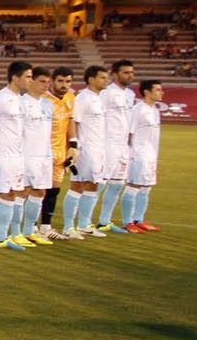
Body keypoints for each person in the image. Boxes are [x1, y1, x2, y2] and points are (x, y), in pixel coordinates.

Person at [0, 61, 37, 251]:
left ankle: (3, 236)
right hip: (1, 155)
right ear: (15, 77)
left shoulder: (22, 100)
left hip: (17, 155)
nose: (30, 80)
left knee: (11, 194)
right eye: (27, 76)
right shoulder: (0, 99)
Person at [64, 65, 110, 238]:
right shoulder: (83, 98)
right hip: (86, 149)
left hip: (99, 149)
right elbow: (74, 122)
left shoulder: (99, 98)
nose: (106, 81)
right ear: (91, 79)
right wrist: (75, 146)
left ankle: (84, 224)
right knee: (78, 185)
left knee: (94, 184)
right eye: (102, 78)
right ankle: (68, 227)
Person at [97, 60, 137, 232]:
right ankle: (83, 223)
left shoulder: (130, 94)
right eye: (126, 72)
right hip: (108, 144)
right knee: (99, 183)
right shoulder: (107, 93)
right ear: (115, 74)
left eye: (132, 72)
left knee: (117, 184)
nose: (130, 75)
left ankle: (104, 221)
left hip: (123, 145)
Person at [19, 66, 56, 243]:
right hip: (27, 155)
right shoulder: (21, 103)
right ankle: (14, 232)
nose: (46, 85)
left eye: (48, 82)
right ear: (31, 81)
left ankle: (29, 230)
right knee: (23, 192)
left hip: (44, 156)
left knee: (40, 192)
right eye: (42, 81)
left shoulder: (49, 104)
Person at [37, 67, 76, 239]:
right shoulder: (42, 100)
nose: (64, 85)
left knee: (54, 191)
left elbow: (70, 121)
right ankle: (29, 228)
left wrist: (73, 145)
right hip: (42, 152)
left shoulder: (70, 98)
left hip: (60, 151)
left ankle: (45, 228)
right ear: (52, 81)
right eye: (60, 81)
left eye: (68, 81)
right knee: (37, 191)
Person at [122, 80, 163, 232]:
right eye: (158, 90)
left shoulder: (154, 110)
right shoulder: (138, 109)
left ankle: (139, 219)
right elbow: (129, 133)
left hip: (151, 155)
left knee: (146, 188)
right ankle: (127, 222)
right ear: (147, 91)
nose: (161, 92)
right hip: (138, 155)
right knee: (133, 187)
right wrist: (130, 154)